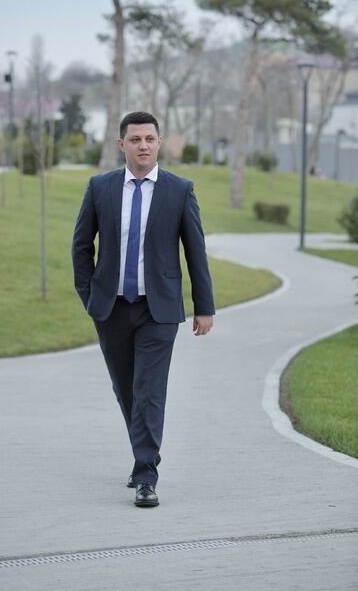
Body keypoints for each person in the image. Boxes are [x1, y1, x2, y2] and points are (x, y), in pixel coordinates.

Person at [72, 111, 215, 508]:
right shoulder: (100, 188)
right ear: (122, 144)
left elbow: (196, 251)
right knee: (126, 389)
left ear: (159, 142)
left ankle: (145, 475)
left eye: (150, 139)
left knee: (149, 390)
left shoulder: (179, 190)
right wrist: (89, 296)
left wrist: (204, 306)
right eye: (135, 139)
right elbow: (81, 247)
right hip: (112, 308)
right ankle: (146, 449)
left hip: (159, 309)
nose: (143, 145)